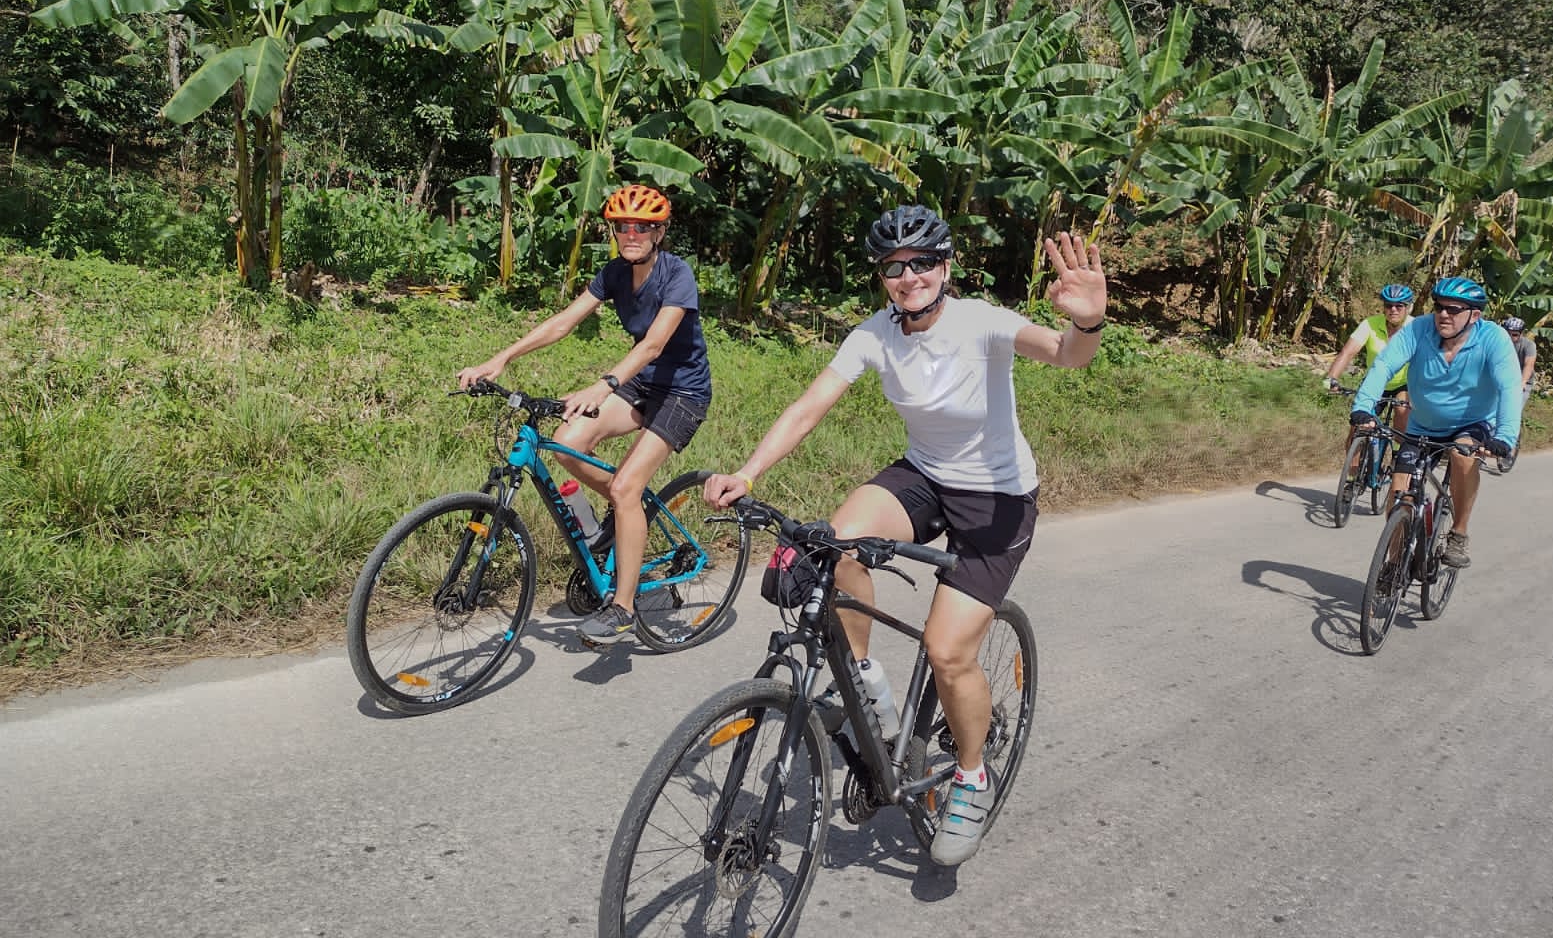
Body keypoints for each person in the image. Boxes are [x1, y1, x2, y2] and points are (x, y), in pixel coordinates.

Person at [703, 204, 1109, 867]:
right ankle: (868, 684)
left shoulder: (983, 322)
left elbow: (1067, 355)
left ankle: (971, 777)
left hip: (997, 502)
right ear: (883, 279)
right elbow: (809, 406)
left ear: (945, 267)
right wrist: (748, 472)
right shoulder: (875, 335)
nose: (909, 276)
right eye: (895, 267)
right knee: (830, 545)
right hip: (924, 476)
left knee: (949, 654)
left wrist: (1087, 318)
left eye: (922, 262)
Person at [457, 184, 712, 646]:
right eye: (622, 226)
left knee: (626, 486)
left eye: (642, 227)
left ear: (659, 232)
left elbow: (655, 344)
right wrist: (500, 358)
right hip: (639, 385)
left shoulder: (678, 275)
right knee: (568, 443)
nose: (631, 234)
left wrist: (604, 384)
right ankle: (621, 515)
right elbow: (565, 321)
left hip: (682, 393)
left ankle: (623, 608)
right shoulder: (615, 272)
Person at [1349, 276, 1522, 570]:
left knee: (1462, 454)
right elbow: (1384, 365)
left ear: (1474, 315)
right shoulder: (1418, 329)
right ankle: (1393, 563)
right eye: (1439, 307)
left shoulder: (1494, 338)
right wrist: (1363, 406)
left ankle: (1459, 532)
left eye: (1453, 309)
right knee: (1398, 493)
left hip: (1472, 422)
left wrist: (1505, 436)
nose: (1443, 314)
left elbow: (1509, 386)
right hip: (1422, 424)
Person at [1325, 284, 1416, 461]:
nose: (1393, 310)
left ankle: (1399, 463)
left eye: (1399, 306)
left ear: (1408, 307)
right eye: (1389, 305)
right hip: (1375, 382)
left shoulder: (1416, 327)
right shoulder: (1370, 324)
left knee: (1401, 419)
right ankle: (1351, 478)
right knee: (1358, 428)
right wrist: (1331, 378)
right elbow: (1348, 352)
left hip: (1403, 383)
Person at [1502, 317, 1537, 404]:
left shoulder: (1529, 345)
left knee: (1515, 406)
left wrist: (1523, 382)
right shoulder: (1500, 343)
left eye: (1514, 335)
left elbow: (1528, 365)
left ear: (1521, 334)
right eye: (1507, 334)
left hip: (1522, 380)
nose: (1510, 337)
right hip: (1503, 378)